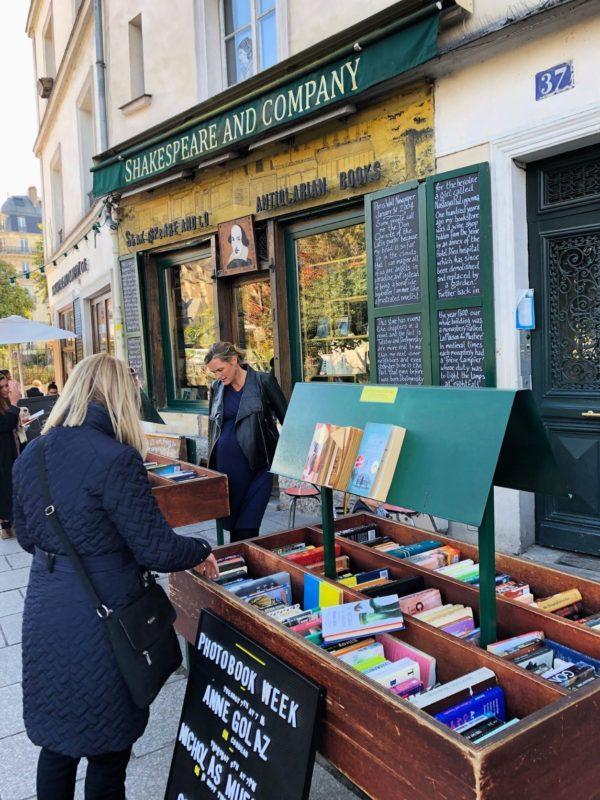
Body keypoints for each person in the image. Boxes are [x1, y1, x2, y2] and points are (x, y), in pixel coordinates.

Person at [12, 353, 218, 800]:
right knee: (108, 750)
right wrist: (201, 549)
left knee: (57, 746)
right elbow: (157, 549)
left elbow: (27, 536)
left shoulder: (33, 454)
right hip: (104, 617)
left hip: (46, 608)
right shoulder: (117, 459)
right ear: (120, 396)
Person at [206, 341, 287, 542]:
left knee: (248, 529)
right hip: (228, 472)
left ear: (234, 361)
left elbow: (288, 419)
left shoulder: (263, 382)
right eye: (214, 372)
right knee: (234, 530)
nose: (218, 376)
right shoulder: (216, 388)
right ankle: (243, 571)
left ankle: (249, 568)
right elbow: (213, 428)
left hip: (258, 469)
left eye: (220, 369)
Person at [0, 373, 29, 539]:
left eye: (6, 386)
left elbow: (11, 423)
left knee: (14, 483)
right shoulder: (9, 403)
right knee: (5, 485)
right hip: (3, 453)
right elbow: (4, 424)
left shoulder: (5, 403)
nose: (5, 389)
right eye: (2, 387)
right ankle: (6, 524)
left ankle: (13, 521)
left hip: (13, 448)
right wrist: (14, 403)